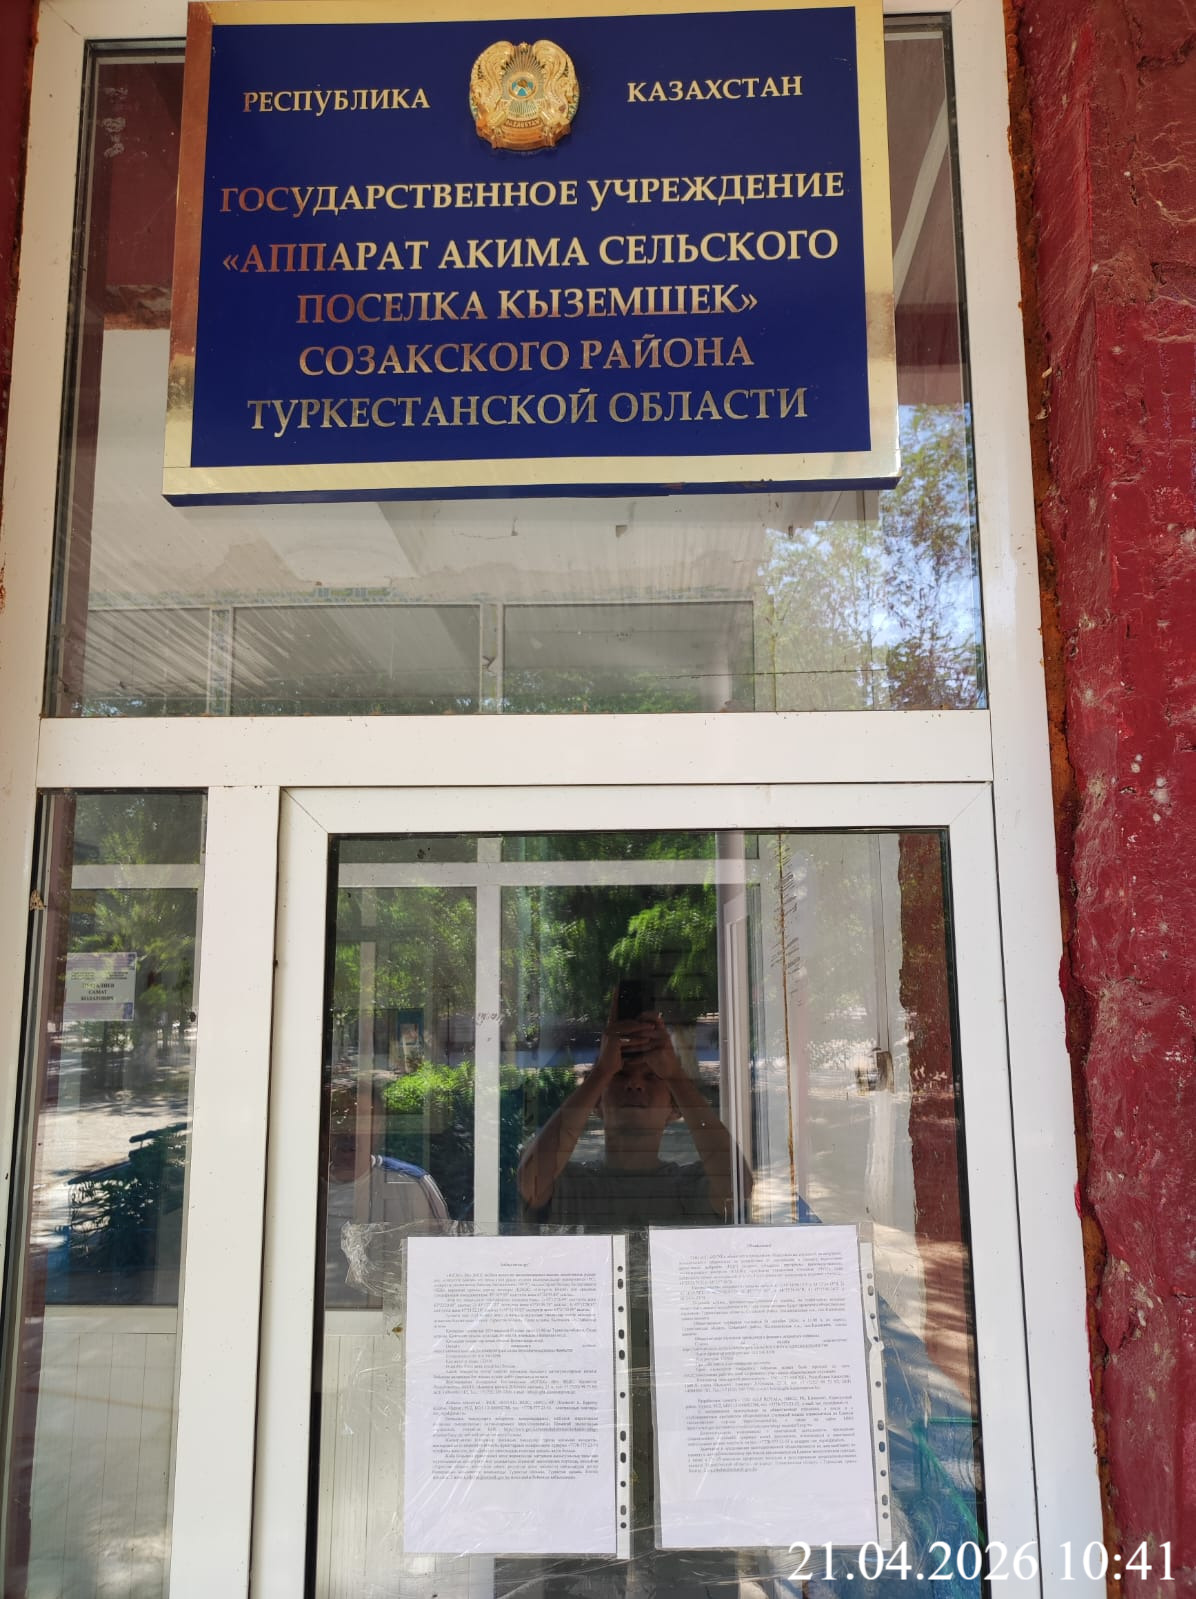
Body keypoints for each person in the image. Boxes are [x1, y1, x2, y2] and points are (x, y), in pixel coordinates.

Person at [518, 1007, 745, 1228]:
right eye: (620, 1074)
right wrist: (602, 1071)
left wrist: (675, 1075)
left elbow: (738, 1189)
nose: (635, 1084)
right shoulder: (572, 1184)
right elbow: (532, 1183)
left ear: (675, 1108)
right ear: (596, 1102)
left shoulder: (689, 1186)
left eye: (651, 1077)